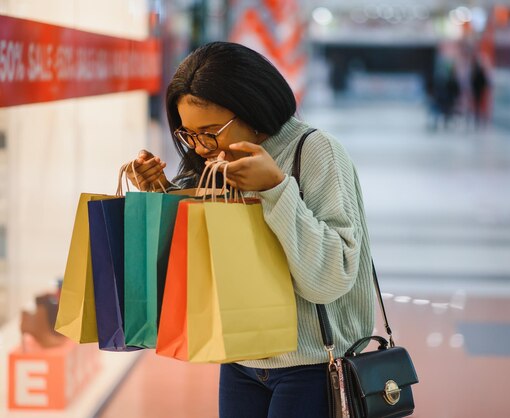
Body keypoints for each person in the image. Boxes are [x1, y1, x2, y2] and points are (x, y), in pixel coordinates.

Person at [126, 41, 375, 418]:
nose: (202, 146)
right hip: (239, 357)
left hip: (312, 364)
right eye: (188, 135)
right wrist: (163, 192)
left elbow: (330, 278)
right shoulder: (215, 161)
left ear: (251, 107)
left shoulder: (315, 151)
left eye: (210, 131)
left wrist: (275, 189)